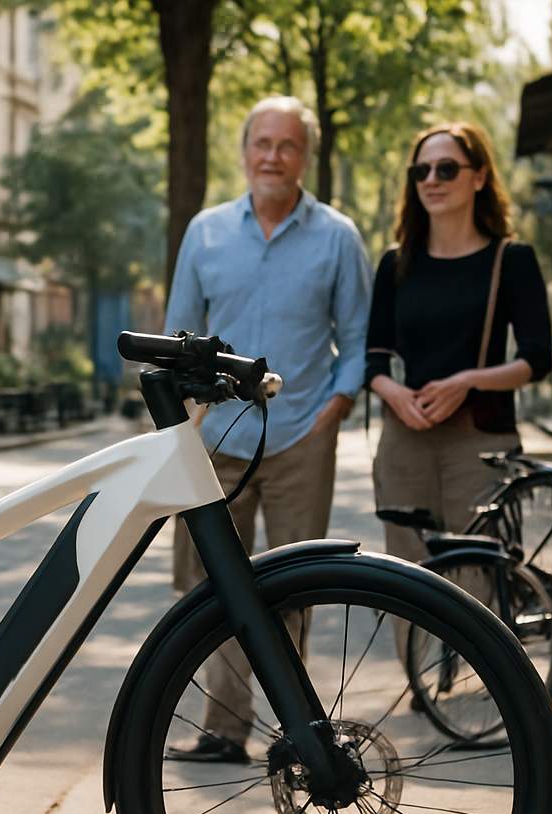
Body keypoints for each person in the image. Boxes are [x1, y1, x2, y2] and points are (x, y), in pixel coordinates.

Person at [162, 95, 372, 764]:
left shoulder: (338, 236)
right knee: (213, 588)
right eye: (263, 143)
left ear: (304, 156)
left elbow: (359, 342)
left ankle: (296, 731)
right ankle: (225, 729)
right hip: (215, 441)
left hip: (299, 441)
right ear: (245, 151)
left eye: (287, 145)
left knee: (292, 591)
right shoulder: (206, 232)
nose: (273, 157)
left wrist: (330, 415)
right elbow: (177, 336)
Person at [366, 122, 552, 570]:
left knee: (479, 581)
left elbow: (538, 359)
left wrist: (468, 381)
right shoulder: (396, 263)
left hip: (480, 441)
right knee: (405, 581)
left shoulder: (511, 260)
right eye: (422, 171)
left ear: (480, 177)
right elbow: (372, 356)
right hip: (405, 440)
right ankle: (413, 648)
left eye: (447, 169)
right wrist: (392, 393)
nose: (432, 180)